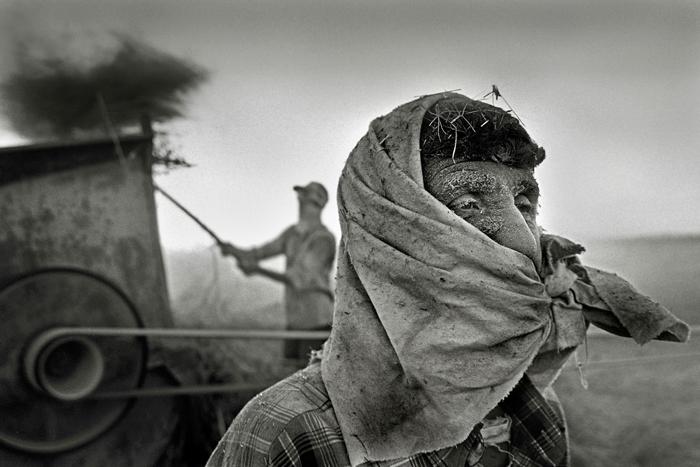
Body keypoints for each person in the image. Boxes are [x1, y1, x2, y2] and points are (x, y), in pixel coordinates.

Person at [207, 92, 689, 467]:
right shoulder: (287, 439)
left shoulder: (532, 418)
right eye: (468, 206)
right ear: (389, 240)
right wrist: (243, 255)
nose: (525, 242)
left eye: (526, 205)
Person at [219, 182, 336, 360]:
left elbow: (299, 278)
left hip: (316, 322)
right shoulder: (291, 233)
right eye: (301, 197)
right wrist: (233, 250)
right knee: (290, 372)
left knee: (310, 379)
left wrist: (257, 270)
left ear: (317, 203)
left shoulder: (323, 239)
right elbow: (260, 252)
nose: (300, 201)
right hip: (294, 321)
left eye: (305, 197)